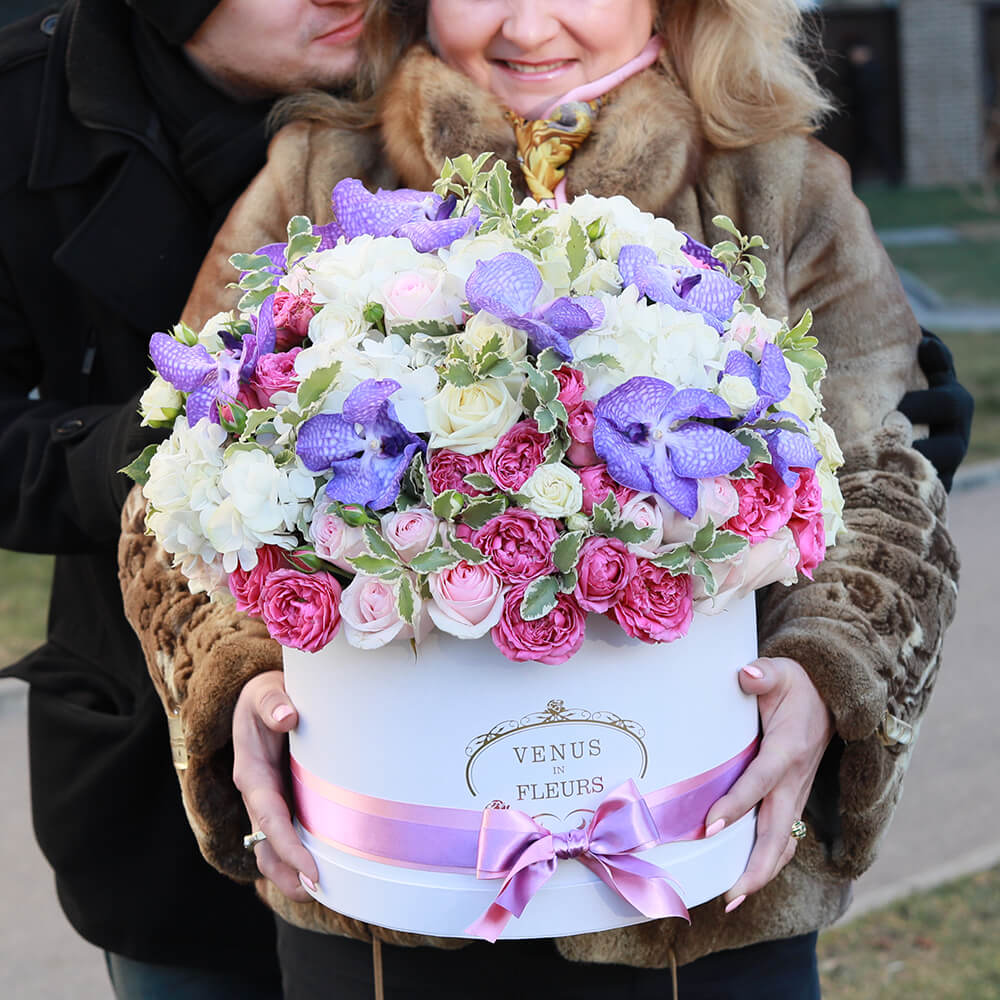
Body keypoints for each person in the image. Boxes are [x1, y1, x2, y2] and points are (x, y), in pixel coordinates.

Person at [118, 0, 963, 996]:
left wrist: (828, 671)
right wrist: (236, 675)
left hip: (699, 897)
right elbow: (189, 475)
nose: (526, 27)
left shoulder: (778, 181)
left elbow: (880, 477)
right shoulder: (322, 167)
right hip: (388, 910)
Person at [0, 0, 379, 995]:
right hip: (158, 753)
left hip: (431, 762)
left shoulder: (458, 67)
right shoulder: (19, 114)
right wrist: (159, 450)